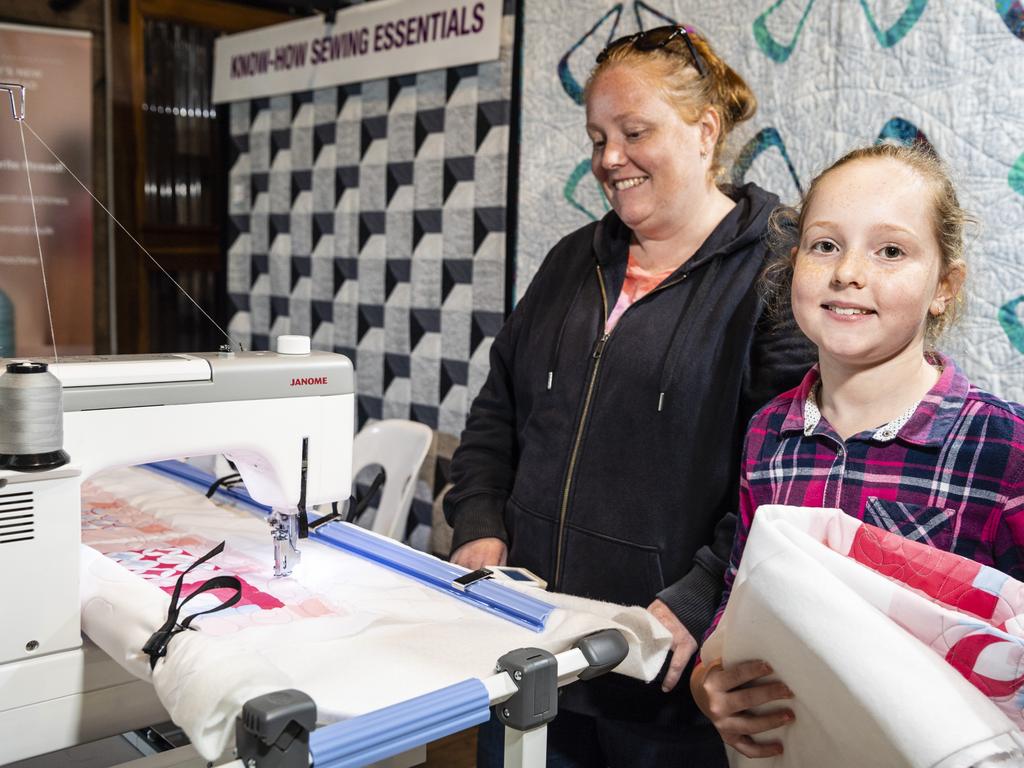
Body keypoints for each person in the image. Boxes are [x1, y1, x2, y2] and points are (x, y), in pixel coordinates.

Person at [443, 24, 814, 767]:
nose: (610, 160)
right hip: (530, 649)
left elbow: (786, 484)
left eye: (634, 131)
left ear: (705, 131)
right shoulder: (570, 261)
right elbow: (498, 413)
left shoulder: (777, 270)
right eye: (596, 138)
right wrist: (479, 521)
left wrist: (699, 593)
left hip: (663, 679)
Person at [690, 142, 1024, 759]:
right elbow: (741, 598)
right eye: (825, 245)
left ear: (943, 286)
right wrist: (708, 681)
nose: (848, 271)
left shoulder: (1003, 446)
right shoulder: (768, 435)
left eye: (890, 250)